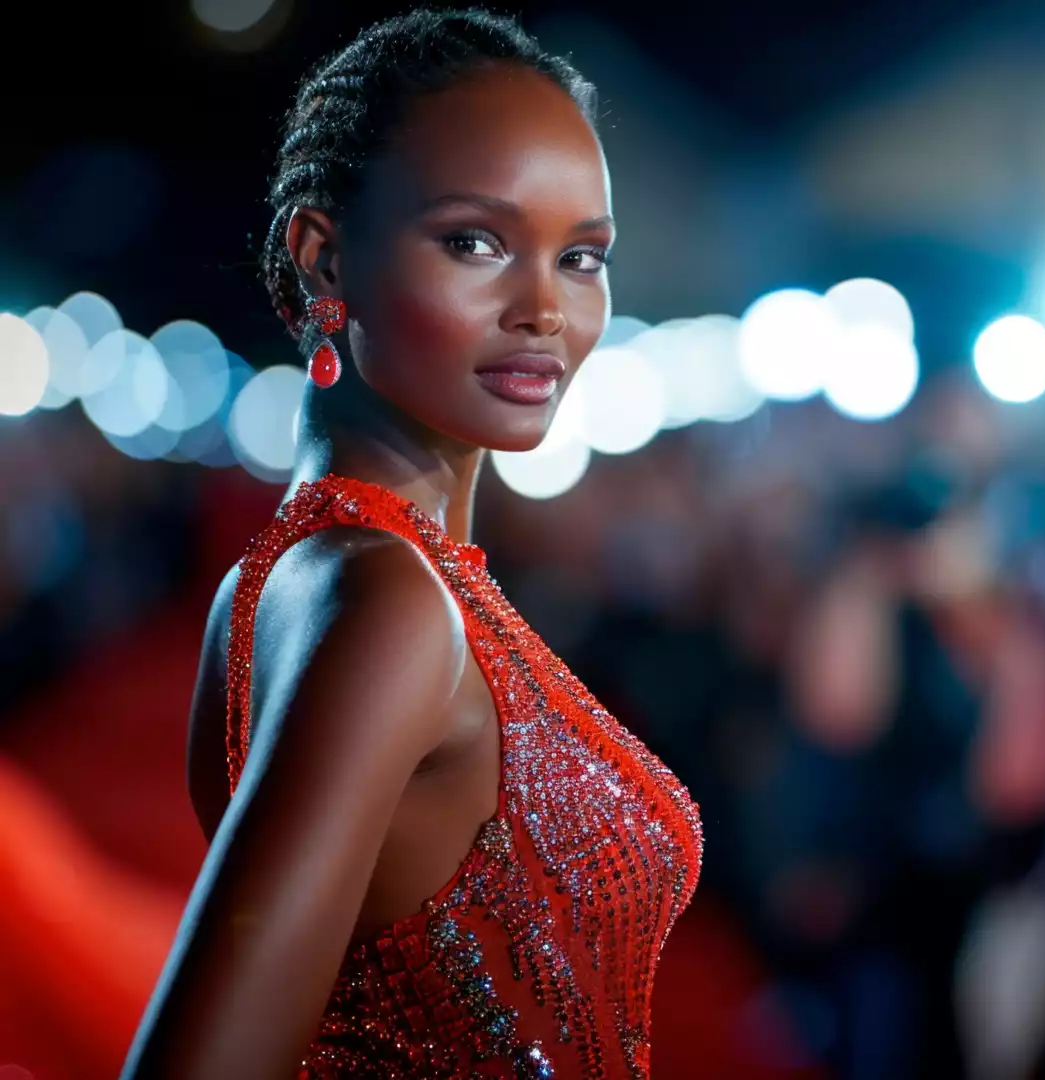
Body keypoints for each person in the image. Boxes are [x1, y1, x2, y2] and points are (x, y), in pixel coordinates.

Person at [119, 9, 703, 1079]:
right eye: (474, 242)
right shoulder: (381, 597)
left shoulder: (333, 576)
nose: (543, 308)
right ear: (322, 252)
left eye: (581, 256)